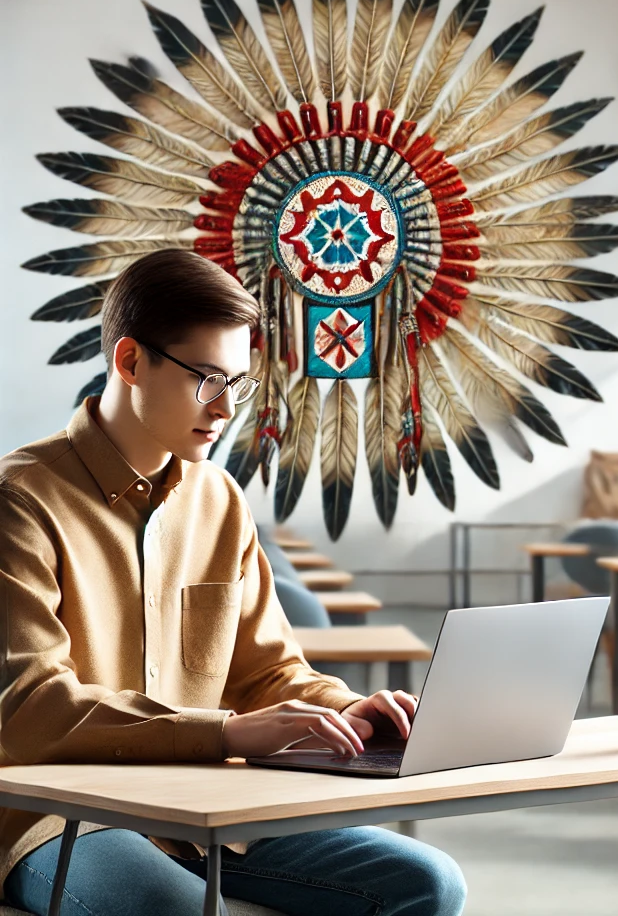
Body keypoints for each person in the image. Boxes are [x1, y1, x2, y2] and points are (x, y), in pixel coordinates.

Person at [0, 249, 467, 916]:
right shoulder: (20, 498)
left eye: (239, 384)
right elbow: (30, 709)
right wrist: (224, 733)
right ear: (131, 362)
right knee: (180, 908)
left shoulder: (220, 500)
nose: (225, 410)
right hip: (59, 817)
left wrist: (345, 709)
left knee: (431, 883)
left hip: (207, 808)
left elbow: (268, 673)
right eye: (207, 379)